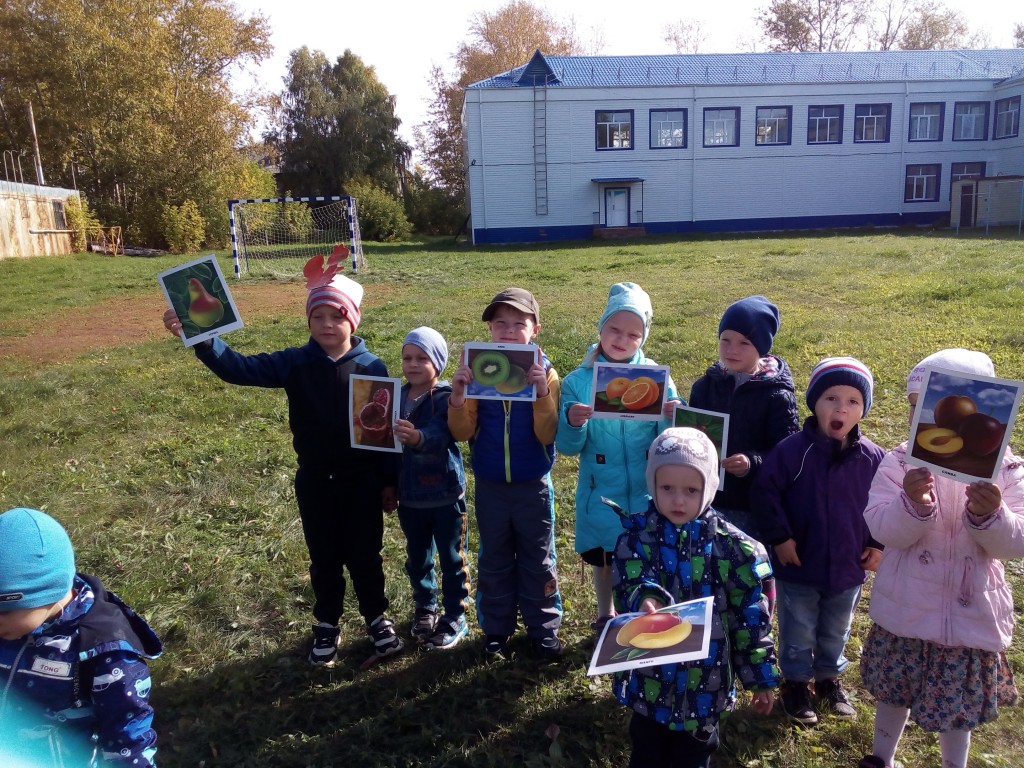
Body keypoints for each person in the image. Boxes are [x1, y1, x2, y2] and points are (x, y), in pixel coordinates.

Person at [162, 272, 403, 665]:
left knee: (365, 555)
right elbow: (240, 369)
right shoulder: (295, 362)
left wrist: (389, 481)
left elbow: (383, 434)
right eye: (318, 316)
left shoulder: (372, 366)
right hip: (315, 483)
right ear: (308, 320)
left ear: (354, 321)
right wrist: (202, 339)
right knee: (324, 558)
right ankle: (327, 622)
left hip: (362, 483)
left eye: (337, 316)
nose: (327, 324)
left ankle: (376, 617)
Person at [858, 349, 1024, 768]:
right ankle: (881, 757)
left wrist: (991, 516)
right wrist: (913, 505)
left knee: (957, 707)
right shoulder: (900, 462)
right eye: (915, 407)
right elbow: (882, 527)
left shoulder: (1007, 470)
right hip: (906, 607)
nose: (922, 419)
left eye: (928, 406)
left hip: (969, 613)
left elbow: (1015, 543)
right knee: (894, 692)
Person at [610, 428, 778, 768]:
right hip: (651, 679)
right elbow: (629, 579)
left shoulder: (734, 549)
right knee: (646, 751)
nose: (678, 500)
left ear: (710, 488)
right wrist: (644, 597)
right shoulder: (638, 538)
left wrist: (760, 677)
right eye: (667, 488)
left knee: (694, 756)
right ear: (652, 483)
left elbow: (750, 617)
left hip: (706, 684)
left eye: (691, 490)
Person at [753, 357, 885, 726]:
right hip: (798, 563)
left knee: (836, 628)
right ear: (814, 403)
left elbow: (885, 504)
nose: (841, 409)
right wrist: (780, 538)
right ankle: (795, 683)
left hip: (848, 566)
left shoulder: (874, 458)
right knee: (798, 628)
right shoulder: (792, 451)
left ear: (863, 410)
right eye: (831, 398)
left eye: (853, 401)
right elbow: (766, 494)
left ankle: (828, 679)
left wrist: (877, 544)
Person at [556, 282, 680, 632]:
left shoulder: (655, 377)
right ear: (601, 327)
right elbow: (568, 447)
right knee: (605, 555)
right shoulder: (578, 382)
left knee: (646, 552)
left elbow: (670, 441)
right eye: (614, 329)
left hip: (646, 487)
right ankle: (605, 613)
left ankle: (645, 612)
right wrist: (573, 422)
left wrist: (672, 415)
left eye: (633, 334)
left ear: (643, 338)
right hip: (600, 488)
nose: (622, 339)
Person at [448, 287, 563, 658]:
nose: (509, 331)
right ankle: (496, 630)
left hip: (533, 486)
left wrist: (541, 392)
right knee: (494, 558)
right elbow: (462, 432)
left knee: (538, 559)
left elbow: (548, 434)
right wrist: (459, 395)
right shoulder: (478, 371)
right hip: (491, 485)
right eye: (500, 323)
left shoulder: (547, 374)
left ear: (535, 330)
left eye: (519, 324)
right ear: (489, 328)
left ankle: (544, 629)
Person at [0, 507, 162, 768]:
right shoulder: (13, 624)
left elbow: (126, 739)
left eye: (3, 612)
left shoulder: (106, 654)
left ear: (47, 592)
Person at [687, 295, 800, 540]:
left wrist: (751, 462)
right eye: (725, 340)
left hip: (754, 505)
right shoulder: (704, 387)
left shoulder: (777, 395)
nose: (732, 350)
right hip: (707, 499)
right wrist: (678, 415)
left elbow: (787, 453)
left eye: (744, 343)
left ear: (761, 347)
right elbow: (692, 434)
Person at [392, 326, 471, 650]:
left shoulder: (442, 397)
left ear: (437, 363)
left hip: (445, 495)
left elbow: (443, 432)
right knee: (418, 557)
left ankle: (455, 614)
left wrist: (419, 438)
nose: (412, 364)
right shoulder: (394, 396)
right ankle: (426, 606)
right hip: (409, 497)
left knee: (453, 558)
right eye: (407, 357)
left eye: (422, 358)